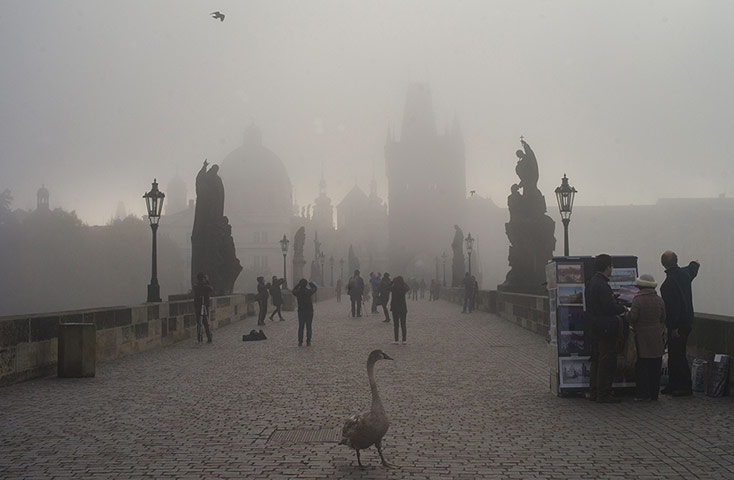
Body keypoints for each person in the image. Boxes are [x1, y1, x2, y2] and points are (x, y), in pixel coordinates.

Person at [586, 254, 627, 403]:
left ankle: (594, 392)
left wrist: (611, 298)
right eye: (611, 266)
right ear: (607, 267)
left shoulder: (593, 282)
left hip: (595, 326)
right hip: (605, 327)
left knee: (597, 360)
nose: (612, 269)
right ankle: (604, 394)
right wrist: (621, 307)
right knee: (607, 360)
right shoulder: (602, 284)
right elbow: (608, 307)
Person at [660, 251, 700, 397]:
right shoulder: (685, 274)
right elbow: (692, 269)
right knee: (676, 354)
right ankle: (674, 384)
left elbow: (673, 307)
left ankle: (683, 386)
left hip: (677, 325)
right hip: (688, 321)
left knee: (677, 356)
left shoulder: (667, 285)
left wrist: (674, 327)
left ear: (663, 264)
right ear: (676, 261)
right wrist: (695, 262)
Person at [626, 274, 666, 402]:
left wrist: (627, 312)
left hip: (642, 337)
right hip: (656, 336)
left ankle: (643, 394)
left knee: (642, 366)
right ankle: (655, 394)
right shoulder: (659, 300)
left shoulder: (637, 300)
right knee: (655, 366)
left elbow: (633, 317)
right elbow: (663, 317)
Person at [292, 279, 318, 346]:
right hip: (309, 310)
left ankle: (300, 341)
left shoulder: (298, 292)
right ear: (306, 284)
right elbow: (315, 288)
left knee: (301, 326)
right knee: (309, 326)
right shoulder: (308, 291)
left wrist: (298, 284)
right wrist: (309, 283)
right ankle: (308, 341)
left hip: (301, 310)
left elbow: (293, 290)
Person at [193, 272, 214, 343]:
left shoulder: (195, 286)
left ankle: (199, 337)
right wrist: (207, 281)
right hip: (204, 305)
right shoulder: (206, 287)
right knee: (206, 322)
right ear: (203, 278)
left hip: (197, 306)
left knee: (199, 322)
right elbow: (211, 289)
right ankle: (209, 337)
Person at [390, 276, 410, 344]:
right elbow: (408, 288)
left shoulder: (393, 288)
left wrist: (392, 281)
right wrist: (403, 282)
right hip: (403, 308)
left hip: (395, 308)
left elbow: (387, 287)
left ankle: (396, 339)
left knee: (396, 325)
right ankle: (404, 340)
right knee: (403, 324)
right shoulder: (403, 288)